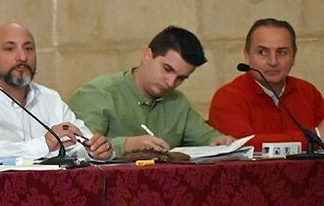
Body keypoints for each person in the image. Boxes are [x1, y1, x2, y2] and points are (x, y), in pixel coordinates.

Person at [0, 22, 112, 162]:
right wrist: (43, 144)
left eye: (28, 48)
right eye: (10, 49)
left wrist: (95, 150)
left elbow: (79, 143)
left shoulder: (50, 99)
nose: (22, 57)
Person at [70, 26, 230, 154]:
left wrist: (222, 142)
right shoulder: (98, 93)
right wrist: (128, 145)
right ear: (147, 55)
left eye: (181, 78)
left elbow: (208, 137)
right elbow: (79, 149)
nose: (171, 82)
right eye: (167, 69)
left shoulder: (177, 102)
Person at [208, 18, 324, 150]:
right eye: (262, 52)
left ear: (294, 57)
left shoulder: (307, 91)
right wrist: (316, 137)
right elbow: (242, 145)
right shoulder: (228, 97)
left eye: (282, 52)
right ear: (247, 56)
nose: (273, 61)